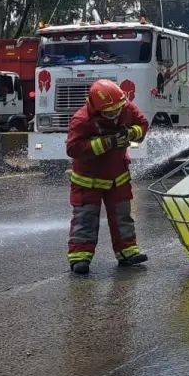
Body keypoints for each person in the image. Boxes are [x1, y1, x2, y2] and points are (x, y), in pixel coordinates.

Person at [65, 79, 150, 273]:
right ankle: (80, 258)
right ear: (96, 108)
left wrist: (130, 133)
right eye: (109, 112)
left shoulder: (125, 107)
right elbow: (73, 148)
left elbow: (142, 125)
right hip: (88, 180)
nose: (115, 114)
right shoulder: (82, 120)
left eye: (117, 110)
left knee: (122, 216)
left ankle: (128, 253)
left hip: (117, 176)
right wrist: (107, 142)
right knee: (85, 219)